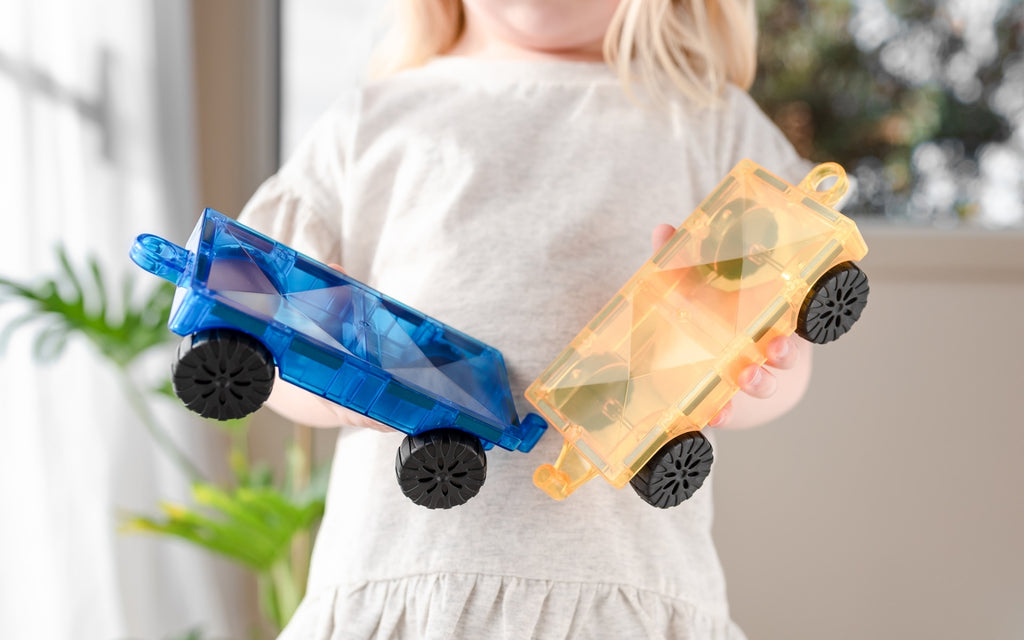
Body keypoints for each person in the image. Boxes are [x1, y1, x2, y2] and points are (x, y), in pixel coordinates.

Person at [239, 0, 813, 637]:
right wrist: (352, 393)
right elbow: (262, 328)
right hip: (405, 579)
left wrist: (750, 377)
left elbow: (789, 333)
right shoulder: (371, 120)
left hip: (622, 592)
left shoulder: (710, 120)